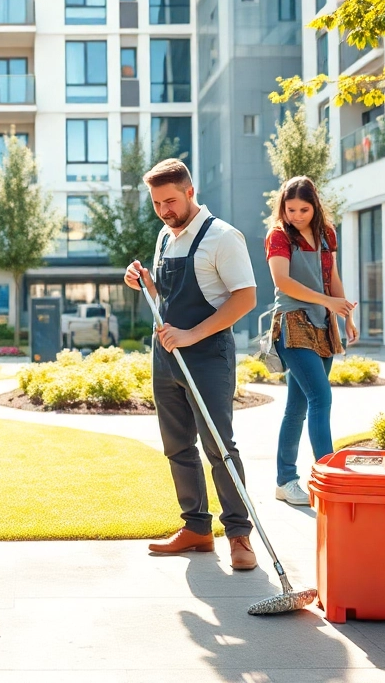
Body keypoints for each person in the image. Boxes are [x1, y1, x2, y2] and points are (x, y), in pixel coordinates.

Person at [123, 158, 259, 569]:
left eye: (170, 201)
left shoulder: (223, 237)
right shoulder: (166, 237)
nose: (164, 211)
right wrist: (144, 283)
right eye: (156, 203)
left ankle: (239, 536)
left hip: (207, 355)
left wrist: (190, 335)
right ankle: (197, 529)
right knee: (177, 446)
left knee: (220, 447)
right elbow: (168, 295)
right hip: (166, 356)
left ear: (190, 192)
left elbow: (245, 298)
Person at [264, 176, 357, 506]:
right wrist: (327, 302)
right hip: (292, 323)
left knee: (298, 406)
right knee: (321, 397)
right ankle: (329, 480)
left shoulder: (327, 234)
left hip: (323, 324)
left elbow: (331, 277)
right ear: (283, 208)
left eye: (304, 209)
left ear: (315, 207)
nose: (297, 216)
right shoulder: (278, 235)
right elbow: (282, 281)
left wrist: (346, 314)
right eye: (290, 209)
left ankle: (285, 480)